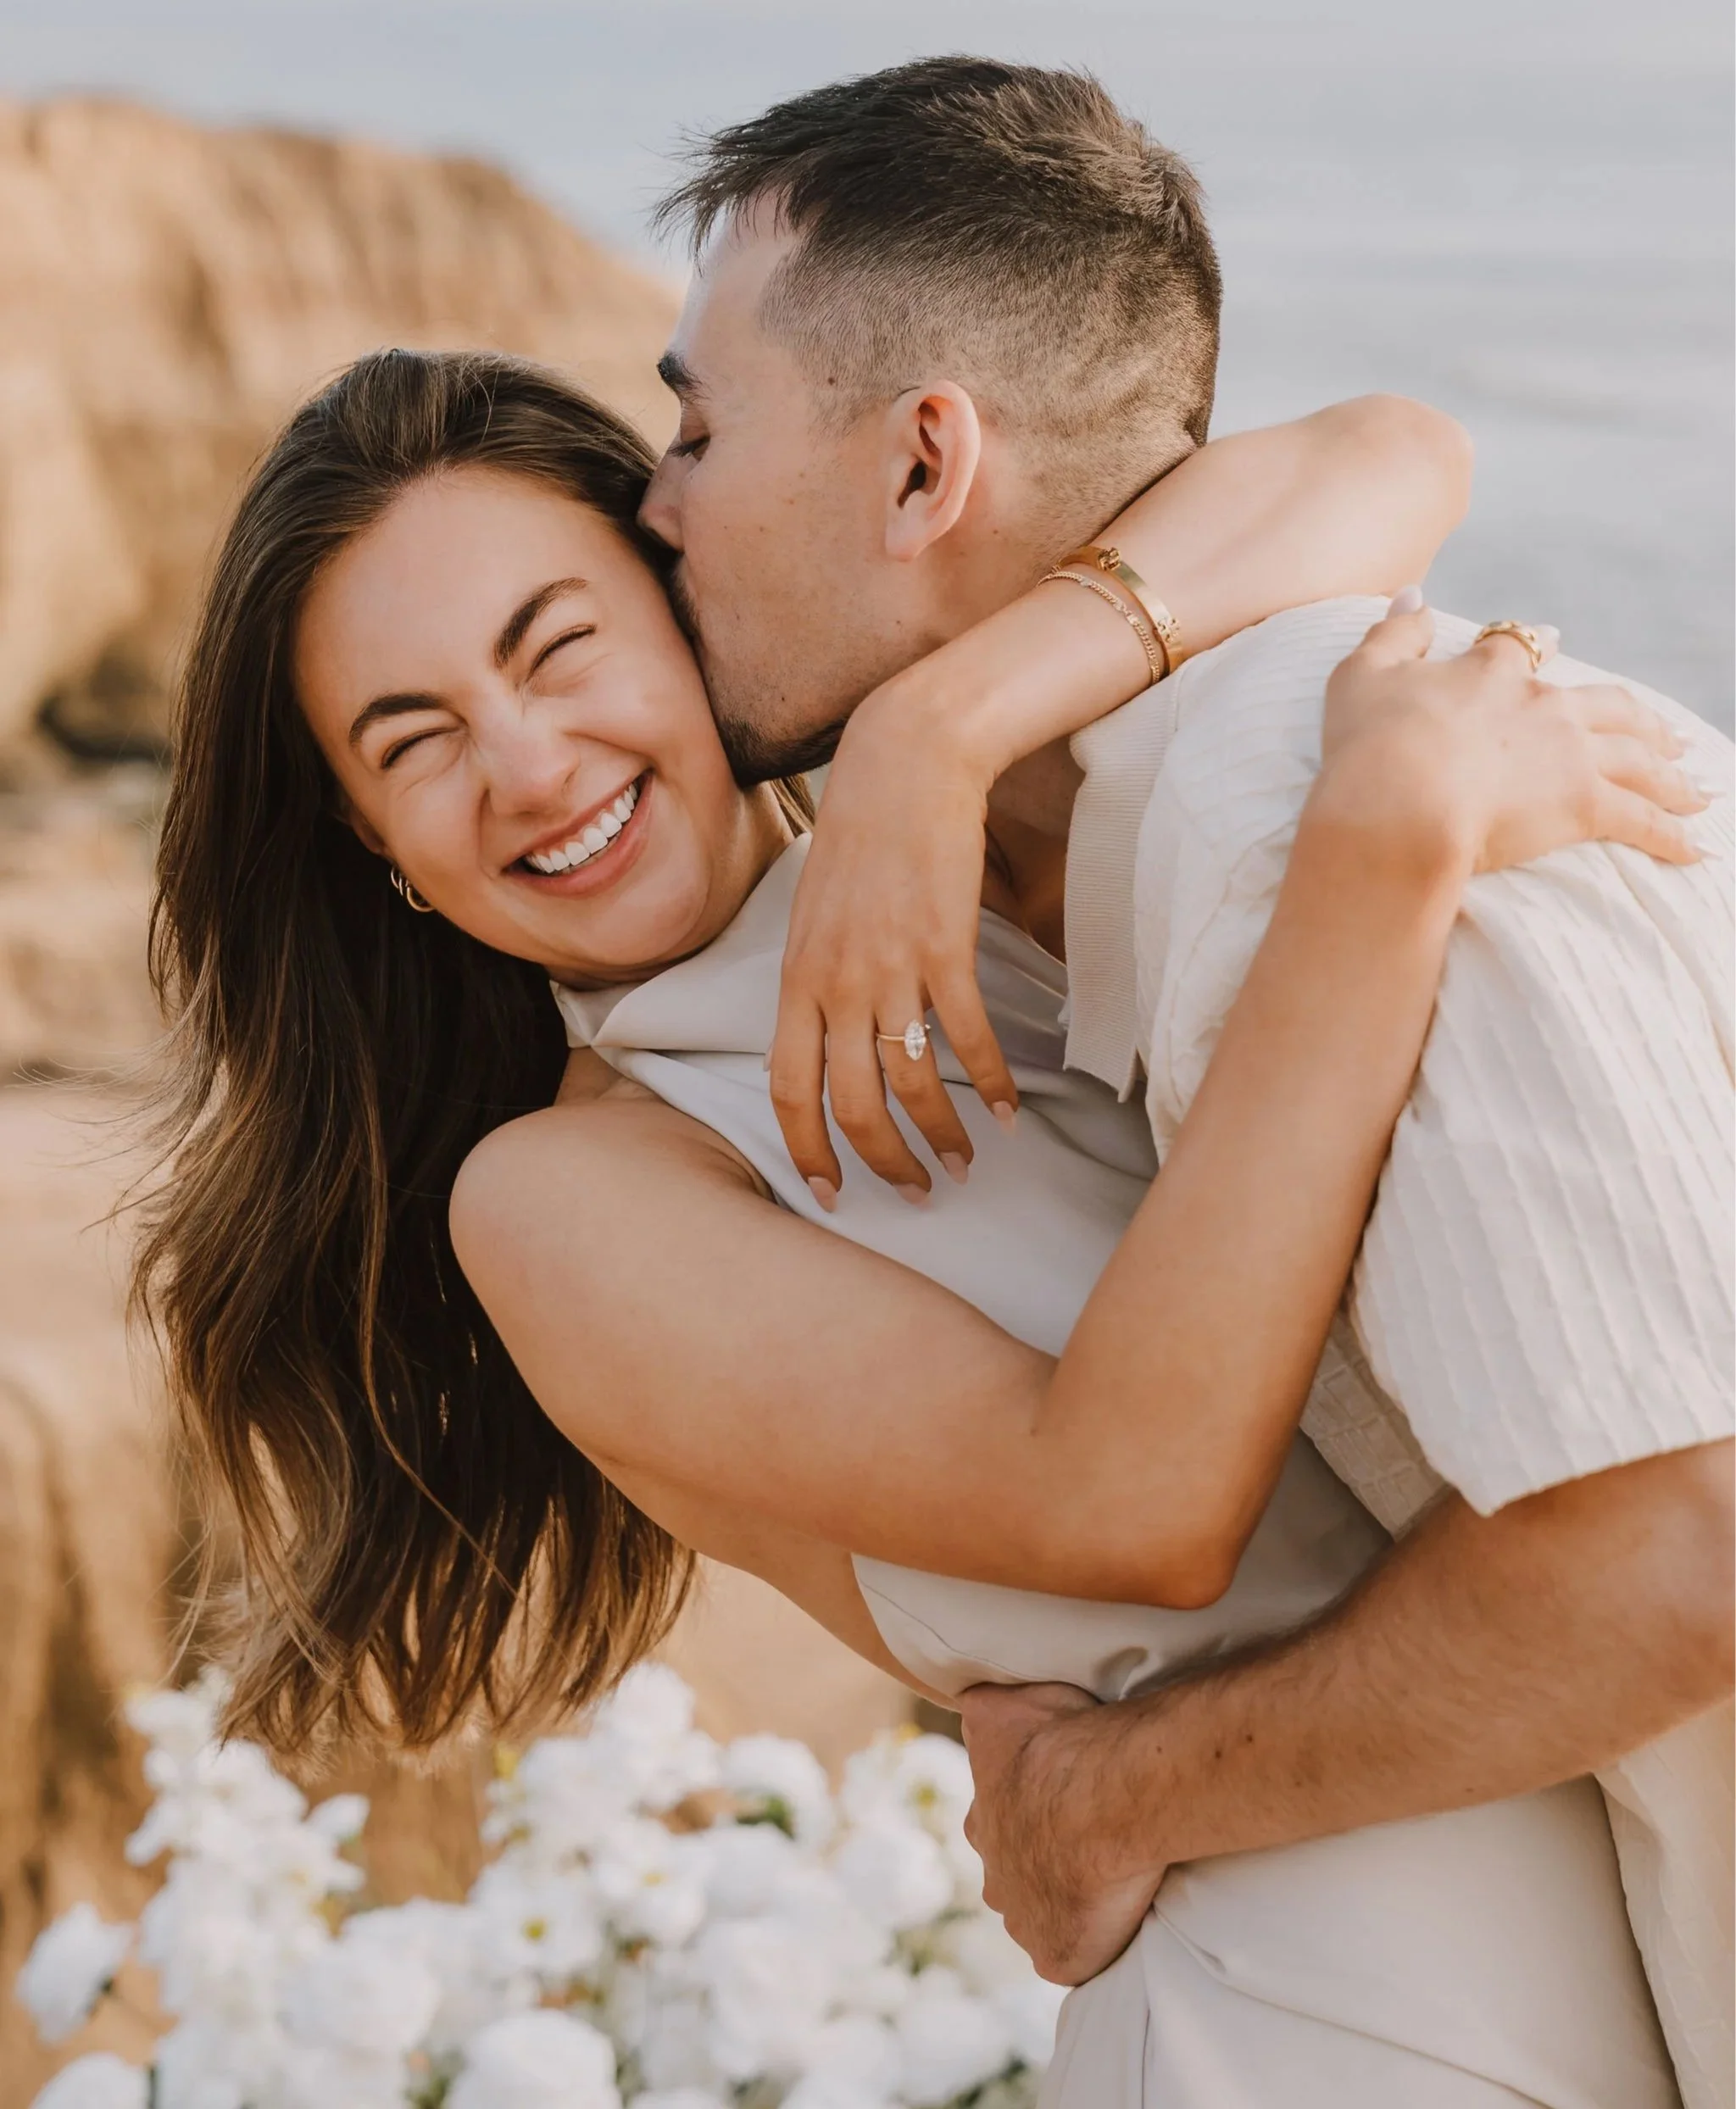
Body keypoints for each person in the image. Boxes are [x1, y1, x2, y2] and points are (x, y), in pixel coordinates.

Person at [138, 344, 1696, 2106]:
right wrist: (1383, 841)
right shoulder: (565, 1200)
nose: (524, 762)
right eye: (413, 743)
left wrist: (933, 724)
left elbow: (1389, 447)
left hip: (1600, 1884)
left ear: (682, 602)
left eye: (557, 646)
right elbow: (1132, 1500)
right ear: (382, 854)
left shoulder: (973, 836)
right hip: (1311, 2005)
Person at [611, 55, 1735, 2109]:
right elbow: (1383, 445)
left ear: (923, 466)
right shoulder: (1139, 861)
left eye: (698, 424)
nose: (653, 501)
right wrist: (931, 738)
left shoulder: (1290, 826)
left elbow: (1677, 1549)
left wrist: (1118, 1791)